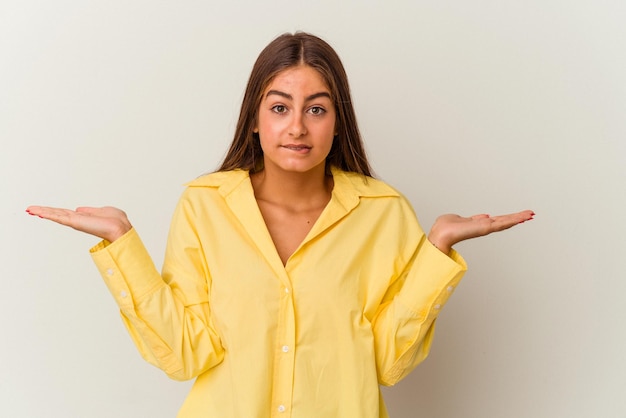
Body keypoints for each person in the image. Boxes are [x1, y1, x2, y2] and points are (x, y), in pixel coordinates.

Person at [26, 32, 534, 418]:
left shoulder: (384, 212)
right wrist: (122, 244)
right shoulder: (205, 205)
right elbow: (185, 354)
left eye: (316, 108)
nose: (296, 126)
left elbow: (386, 364)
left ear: (338, 122)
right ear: (255, 118)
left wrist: (437, 249)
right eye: (279, 107)